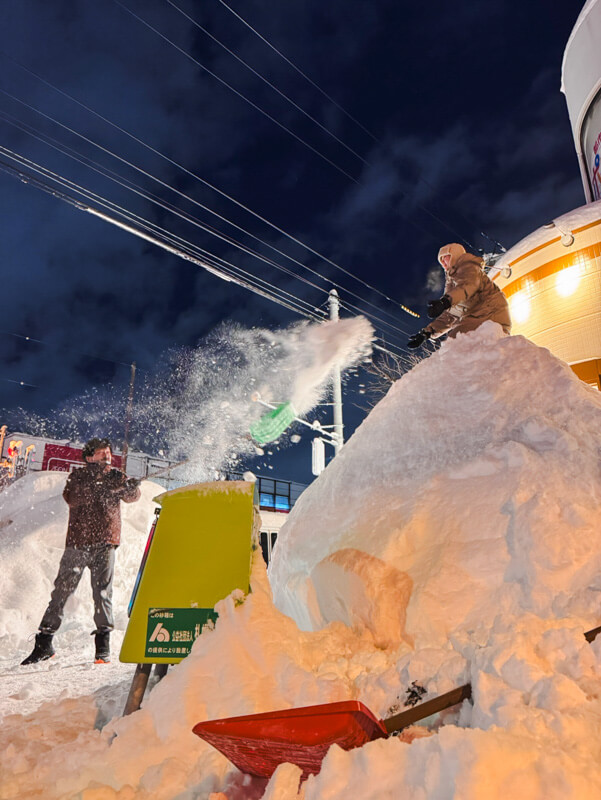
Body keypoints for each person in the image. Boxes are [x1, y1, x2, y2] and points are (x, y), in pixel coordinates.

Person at [21, 437, 141, 665]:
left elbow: (131, 498)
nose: (106, 455)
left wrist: (132, 488)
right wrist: (101, 486)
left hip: (106, 543)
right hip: (78, 543)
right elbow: (72, 498)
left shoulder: (116, 476)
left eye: (108, 451)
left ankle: (102, 648)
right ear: (88, 457)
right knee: (61, 592)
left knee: (103, 593)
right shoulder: (77, 477)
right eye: (100, 452)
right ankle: (44, 643)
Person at [408, 243, 511, 348]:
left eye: (445, 257)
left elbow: (468, 286)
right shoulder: (452, 282)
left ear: (455, 255)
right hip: (477, 318)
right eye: (441, 260)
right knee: (453, 344)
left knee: (455, 344)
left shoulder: (468, 266)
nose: (443, 262)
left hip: (491, 315)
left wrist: (445, 302)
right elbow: (451, 314)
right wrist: (428, 332)